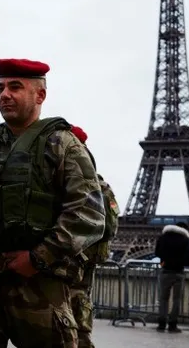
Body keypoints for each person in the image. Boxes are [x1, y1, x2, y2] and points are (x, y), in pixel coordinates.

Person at [0, 58, 106, 348]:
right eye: (0, 88)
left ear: (40, 95)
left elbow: (88, 214)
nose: (5, 95)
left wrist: (38, 258)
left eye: (15, 87)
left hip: (38, 284)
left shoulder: (62, 144)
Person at [68, 125, 120, 348]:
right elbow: (111, 227)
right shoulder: (102, 185)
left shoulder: (74, 182)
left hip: (69, 255)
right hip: (89, 256)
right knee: (81, 302)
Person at [153, 221, 189, 333]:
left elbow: (157, 252)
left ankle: (161, 323)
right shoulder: (186, 240)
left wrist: (165, 260)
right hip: (179, 272)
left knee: (163, 299)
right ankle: (173, 324)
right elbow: (188, 257)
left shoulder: (163, 237)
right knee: (177, 299)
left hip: (165, 271)